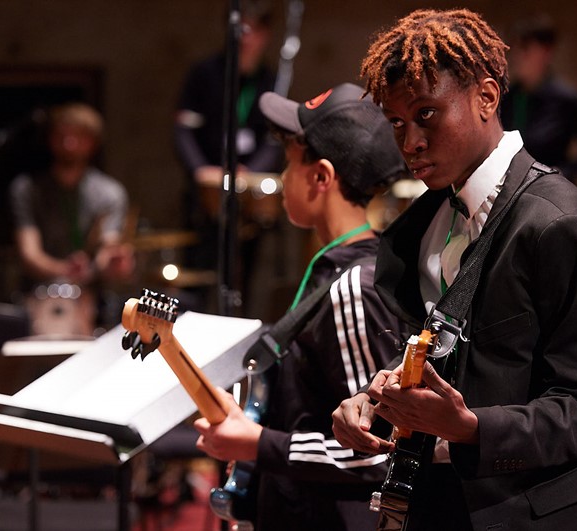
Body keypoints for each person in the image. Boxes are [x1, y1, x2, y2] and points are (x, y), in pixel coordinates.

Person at [331, 8, 577, 531]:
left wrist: (471, 427)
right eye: (398, 124)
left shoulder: (559, 223)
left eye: (427, 114)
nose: (410, 143)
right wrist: (374, 398)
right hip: (447, 505)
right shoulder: (423, 223)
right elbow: (449, 360)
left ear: (487, 97)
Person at [193, 82, 411, 530]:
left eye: (289, 163)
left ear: (320, 178)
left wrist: (260, 444)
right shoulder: (338, 271)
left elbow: (380, 450)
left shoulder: (356, 286)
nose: (282, 178)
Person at [173, 0, 284, 300]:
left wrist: (251, 170)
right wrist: (200, 170)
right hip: (206, 187)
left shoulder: (273, 81)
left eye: (254, 30)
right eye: (241, 29)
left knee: (244, 275)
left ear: (266, 35)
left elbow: (274, 139)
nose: (246, 37)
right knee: (198, 269)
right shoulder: (205, 73)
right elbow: (184, 130)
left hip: (248, 190)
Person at [9, 102, 134, 334]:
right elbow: (29, 253)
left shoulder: (109, 193)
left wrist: (111, 263)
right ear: (50, 139)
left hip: (92, 299)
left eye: (78, 136)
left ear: (93, 143)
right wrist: (65, 269)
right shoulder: (27, 189)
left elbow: (108, 244)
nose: (69, 143)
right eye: (62, 136)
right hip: (37, 294)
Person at [500, 13, 577, 185]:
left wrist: (564, 172)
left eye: (526, 48)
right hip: (511, 189)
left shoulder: (564, 98)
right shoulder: (507, 96)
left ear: (546, 52)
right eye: (514, 48)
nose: (517, 56)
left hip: (551, 191)